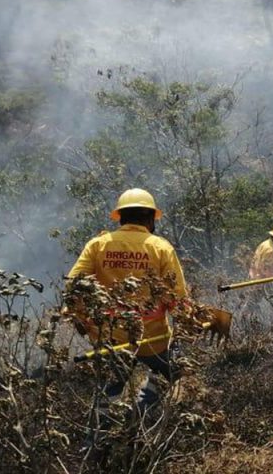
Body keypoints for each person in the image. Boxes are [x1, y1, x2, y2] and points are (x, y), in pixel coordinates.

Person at [65, 188, 187, 446]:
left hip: (109, 338)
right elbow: (176, 297)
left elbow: (74, 286)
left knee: (109, 392)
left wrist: (81, 319)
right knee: (166, 377)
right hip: (152, 337)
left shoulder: (98, 245)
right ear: (151, 219)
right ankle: (137, 419)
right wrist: (188, 324)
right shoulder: (160, 248)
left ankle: (94, 448)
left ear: (120, 217)